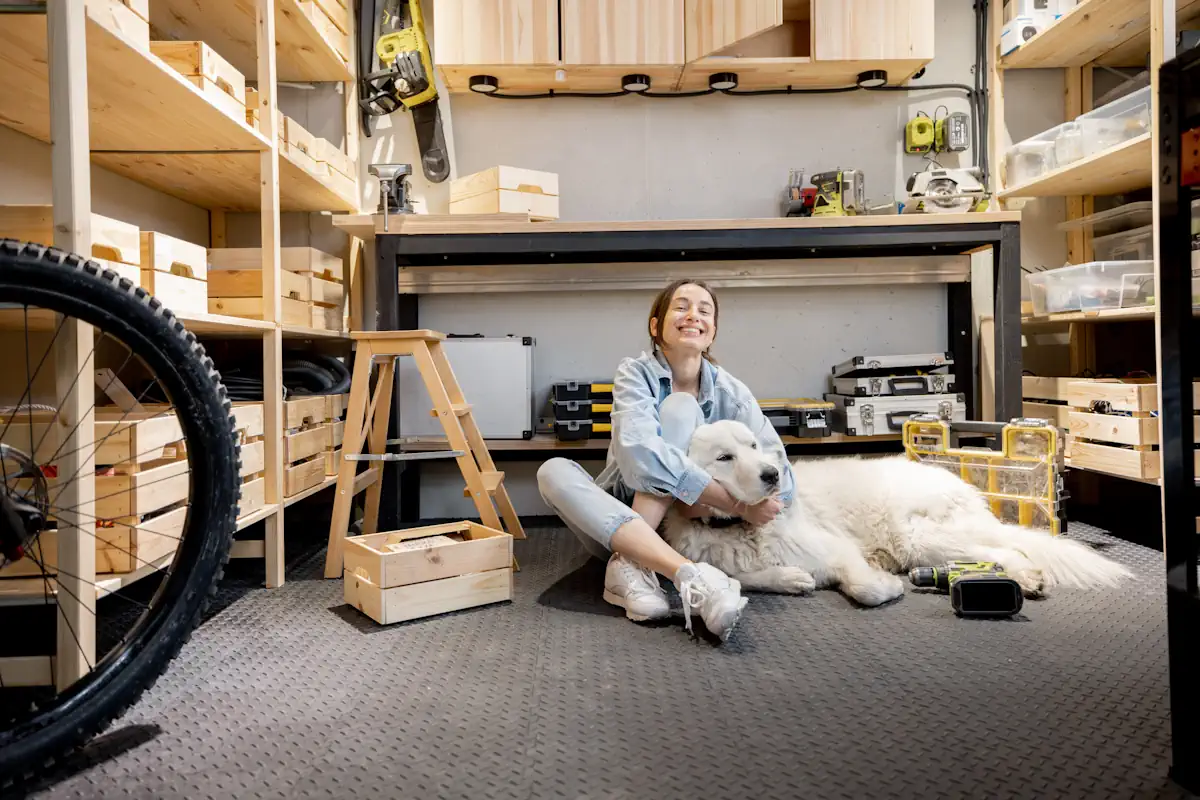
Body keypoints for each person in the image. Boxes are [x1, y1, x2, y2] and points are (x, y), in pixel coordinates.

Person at [536, 279, 796, 641]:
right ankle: (688, 576)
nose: (693, 316)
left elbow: (782, 475)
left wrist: (702, 506)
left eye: (704, 311)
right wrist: (736, 506)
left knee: (679, 408)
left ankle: (631, 567)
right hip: (614, 518)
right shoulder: (634, 373)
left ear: (713, 331)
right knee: (552, 471)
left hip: (686, 530)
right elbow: (642, 456)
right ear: (656, 327)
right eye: (681, 306)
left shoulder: (732, 392)